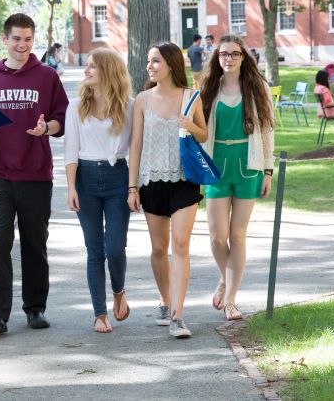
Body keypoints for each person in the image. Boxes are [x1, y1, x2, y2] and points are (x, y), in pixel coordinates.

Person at [0, 12, 68, 336]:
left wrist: (46, 129)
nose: (22, 45)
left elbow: (60, 119)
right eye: (16, 39)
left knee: (35, 243)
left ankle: (35, 308)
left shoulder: (47, 77)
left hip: (36, 173)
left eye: (27, 39)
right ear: (5, 39)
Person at [127, 42, 207, 339]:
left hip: (185, 180)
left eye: (156, 61)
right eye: (149, 61)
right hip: (151, 182)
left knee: (181, 245)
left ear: (172, 64)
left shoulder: (191, 97)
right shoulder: (142, 100)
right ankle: (165, 299)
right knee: (159, 249)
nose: (150, 66)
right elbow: (135, 145)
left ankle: (178, 315)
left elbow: (203, 133)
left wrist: (190, 125)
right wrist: (132, 186)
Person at [199, 35, 276, 321]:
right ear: (217, 58)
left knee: (237, 234)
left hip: (249, 165)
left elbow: (268, 131)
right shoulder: (209, 88)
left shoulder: (258, 88)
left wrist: (268, 170)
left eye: (234, 53)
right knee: (218, 237)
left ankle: (230, 299)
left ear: (244, 57)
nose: (228, 58)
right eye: (223, 54)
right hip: (217, 165)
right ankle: (225, 277)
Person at [64, 48, 134, 334]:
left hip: (118, 177)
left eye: (93, 66)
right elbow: (70, 150)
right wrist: (71, 187)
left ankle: (119, 290)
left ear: (108, 70)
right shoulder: (76, 105)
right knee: (94, 249)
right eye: (87, 66)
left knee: (115, 247)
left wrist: (133, 188)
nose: (87, 70)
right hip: (86, 179)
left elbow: (136, 148)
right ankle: (100, 313)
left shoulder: (128, 106)